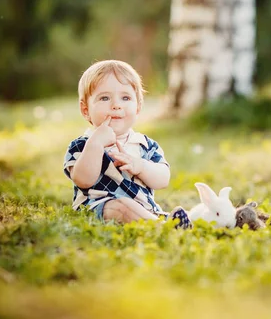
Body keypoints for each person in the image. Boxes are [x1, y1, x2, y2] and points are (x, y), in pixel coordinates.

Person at [63, 60, 192, 229]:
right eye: (104, 98)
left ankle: (223, 218)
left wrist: (140, 166)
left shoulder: (145, 145)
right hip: (100, 208)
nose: (116, 105)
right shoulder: (82, 144)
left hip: (145, 210)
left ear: (138, 106)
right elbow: (82, 180)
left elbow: (163, 179)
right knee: (121, 206)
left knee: (191, 214)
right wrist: (96, 143)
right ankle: (164, 228)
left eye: (125, 98)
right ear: (86, 109)